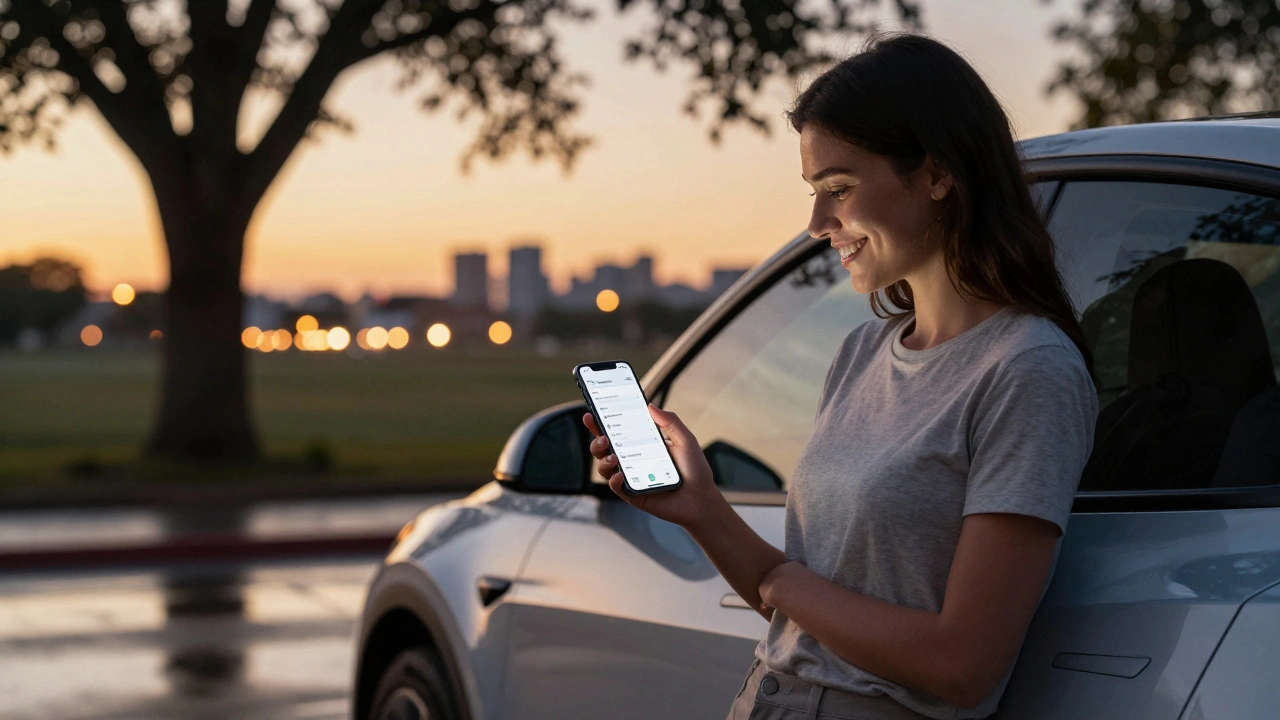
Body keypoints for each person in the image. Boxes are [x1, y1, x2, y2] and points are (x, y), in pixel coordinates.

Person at [582, 31, 1099, 720]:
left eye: (839, 189)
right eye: (815, 192)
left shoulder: (1028, 371)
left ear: (937, 176)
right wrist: (702, 510)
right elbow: (799, 606)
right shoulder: (862, 353)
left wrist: (776, 578)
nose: (817, 222)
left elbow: (963, 664)